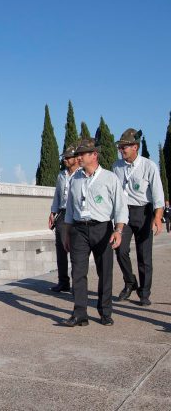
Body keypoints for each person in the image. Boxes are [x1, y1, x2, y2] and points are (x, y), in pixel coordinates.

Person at [63, 137, 127, 327]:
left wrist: (119, 230)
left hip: (102, 228)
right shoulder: (75, 179)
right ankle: (80, 313)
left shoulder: (109, 178)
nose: (79, 157)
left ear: (94, 155)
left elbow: (120, 207)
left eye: (82, 154)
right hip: (79, 229)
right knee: (78, 272)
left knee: (105, 271)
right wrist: (67, 233)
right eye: (78, 154)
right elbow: (69, 209)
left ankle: (105, 312)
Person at [112, 128, 165, 306]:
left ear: (135, 147)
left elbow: (158, 196)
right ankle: (130, 282)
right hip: (123, 214)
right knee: (120, 250)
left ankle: (144, 292)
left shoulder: (149, 166)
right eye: (120, 147)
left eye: (124, 147)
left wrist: (157, 218)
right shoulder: (116, 167)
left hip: (143, 212)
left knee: (144, 255)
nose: (121, 150)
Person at [48, 143, 79, 292]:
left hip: (76, 214)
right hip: (62, 213)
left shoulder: (81, 173)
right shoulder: (61, 175)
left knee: (75, 249)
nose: (65, 160)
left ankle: (76, 284)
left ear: (76, 158)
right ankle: (63, 281)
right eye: (64, 158)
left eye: (68, 157)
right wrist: (52, 212)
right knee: (60, 248)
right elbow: (57, 195)